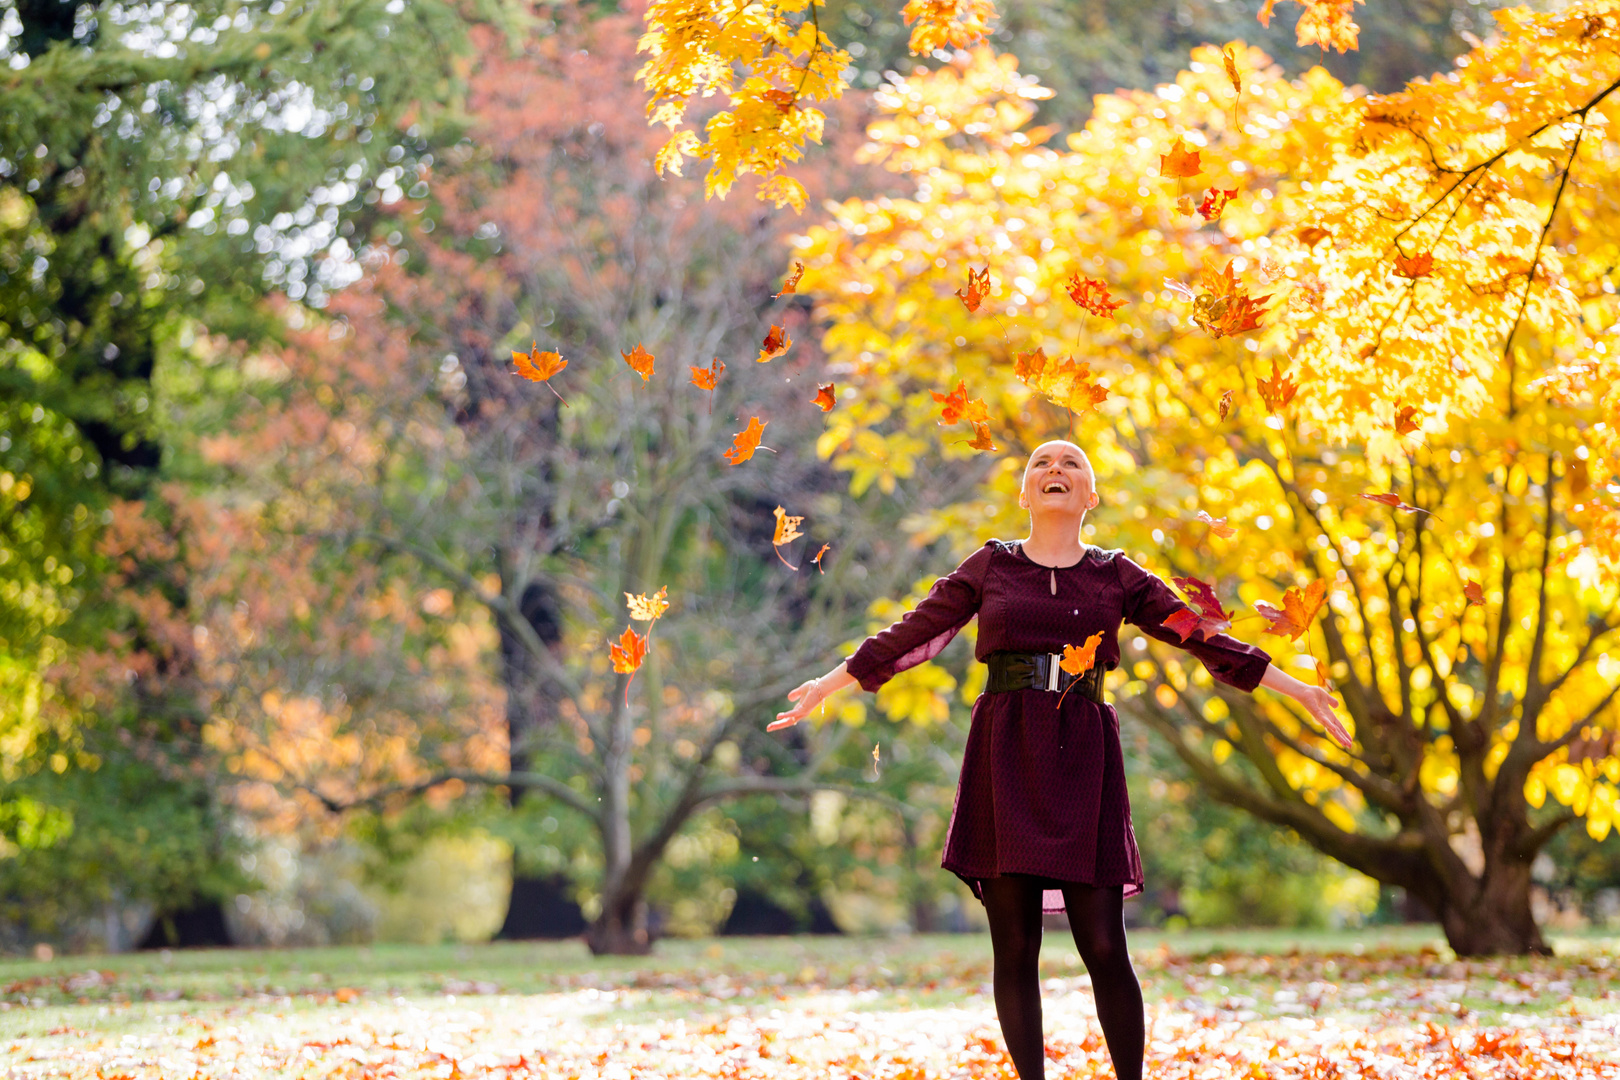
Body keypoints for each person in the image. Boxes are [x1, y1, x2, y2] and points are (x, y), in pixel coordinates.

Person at [767, 439, 1351, 1080]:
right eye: (1042, 463)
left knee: (1104, 943)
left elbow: (1202, 636)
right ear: (1024, 493)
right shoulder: (991, 566)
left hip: (1084, 756)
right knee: (1014, 946)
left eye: (1072, 464)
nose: (1055, 470)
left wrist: (1294, 687)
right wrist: (831, 682)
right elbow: (915, 629)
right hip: (1007, 751)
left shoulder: (1116, 575)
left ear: (1090, 496)